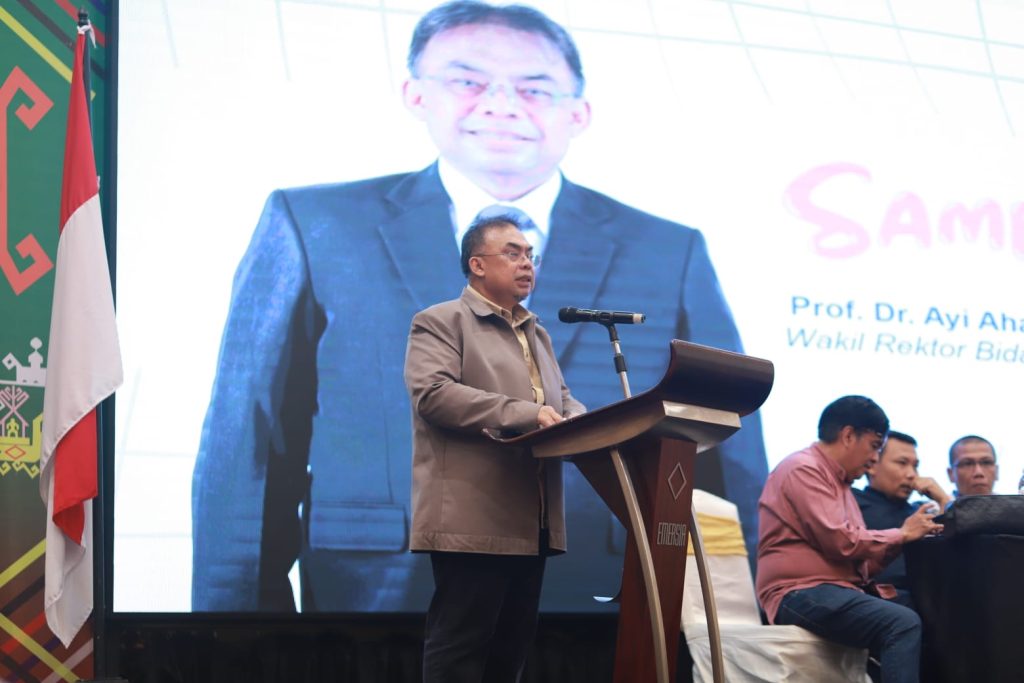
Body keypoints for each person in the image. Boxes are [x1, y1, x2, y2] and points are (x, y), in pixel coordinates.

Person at [191, 0, 768, 612]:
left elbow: (723, 443)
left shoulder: (668, 250)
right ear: (416, 95)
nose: (501, 104)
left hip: (594, 586)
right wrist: (231, 627)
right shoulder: (315, 225)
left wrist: (753, 609)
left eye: (534, 88)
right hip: (377, 585)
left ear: (579, 112)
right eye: (467, 81)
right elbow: (251, 436)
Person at [405, 215, 585, 681]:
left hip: (532, 518)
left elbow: (561, 400)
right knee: (461, 650)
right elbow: (434, 395)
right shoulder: (441, 321)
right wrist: (528, 413)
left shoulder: (536, 332)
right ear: (477, 265)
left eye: (530, 255)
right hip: (472, 517)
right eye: (512, 253)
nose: (526, 263)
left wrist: (587, 423)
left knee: (509, 654)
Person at [756, 396, 943, 683]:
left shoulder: (841, 484)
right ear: (847, 436)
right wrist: (902, 533)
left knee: (929, 613)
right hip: (797, 592)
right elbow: (841, 542)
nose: (874, 458)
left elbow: (858, 564)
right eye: (874, 446)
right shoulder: (803, 468)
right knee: (902, 623)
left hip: (835, 589)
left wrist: (906, 540)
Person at [853, 430, 950, 608]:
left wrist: (943, 500)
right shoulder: (852, 504)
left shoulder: (920, 511)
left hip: (929, 598)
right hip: (878, 601)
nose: (912, 474)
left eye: (915, 466)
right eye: (902, 463)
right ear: (872, 464)